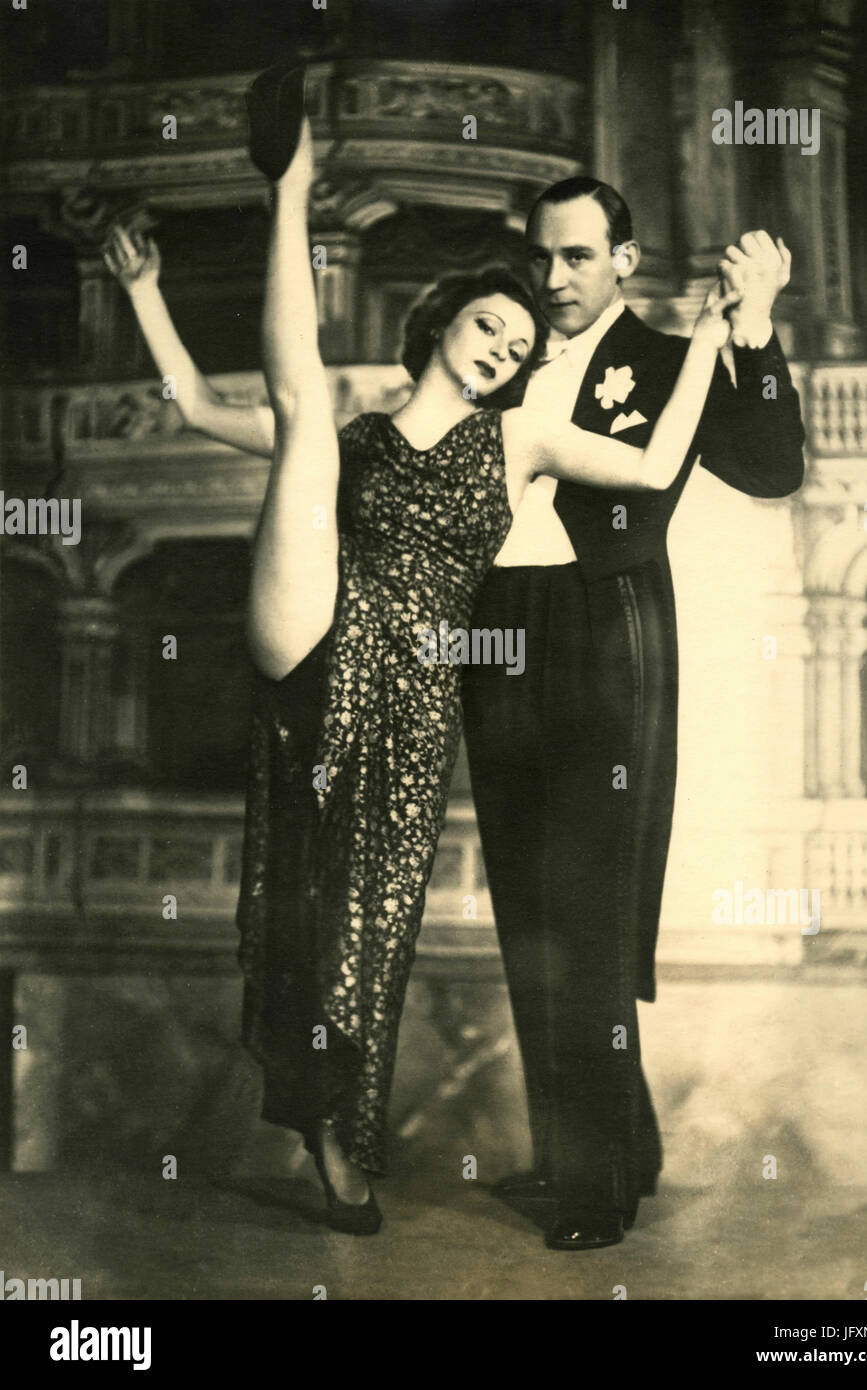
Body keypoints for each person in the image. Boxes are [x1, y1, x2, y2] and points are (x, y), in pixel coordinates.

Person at [103, 62, 741, 1236]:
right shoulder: (355, 421)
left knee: (364, 923)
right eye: (486, 324)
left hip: (411, 696)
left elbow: (654, 467)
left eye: (514, 340)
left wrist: (705, 332)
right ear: (436, 323)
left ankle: (334, 1146)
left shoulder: (521, 441)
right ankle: (288, 185)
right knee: (303, 420)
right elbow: (195, 404)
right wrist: (143, 292)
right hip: (321, 634)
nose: (502, 345)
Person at [461, 176, 806, 1249]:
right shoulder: (501, 352)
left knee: (590, 903)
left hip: (603, 631)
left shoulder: (665, 358)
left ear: (624, 258)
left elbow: (770, 468)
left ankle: (595, 1184)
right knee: (527, 897)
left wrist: (751, 327)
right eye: (541, 257)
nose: (553, 278)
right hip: (499, 633)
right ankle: (609, 1148)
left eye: (576, 257)